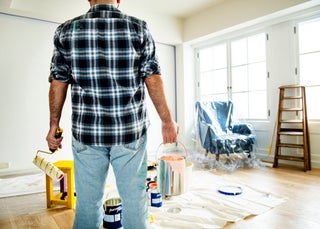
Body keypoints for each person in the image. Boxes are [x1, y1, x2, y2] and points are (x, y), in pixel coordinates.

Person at [46, 0, 179, 228]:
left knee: (88, 202)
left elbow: (59, 81)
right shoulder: (138, 28)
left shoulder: (66, 30)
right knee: (134, 201)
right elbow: (152, 77)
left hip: (87, 133)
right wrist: (167, 121)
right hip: (129, 132)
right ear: (118, 0)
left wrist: (53, 125)